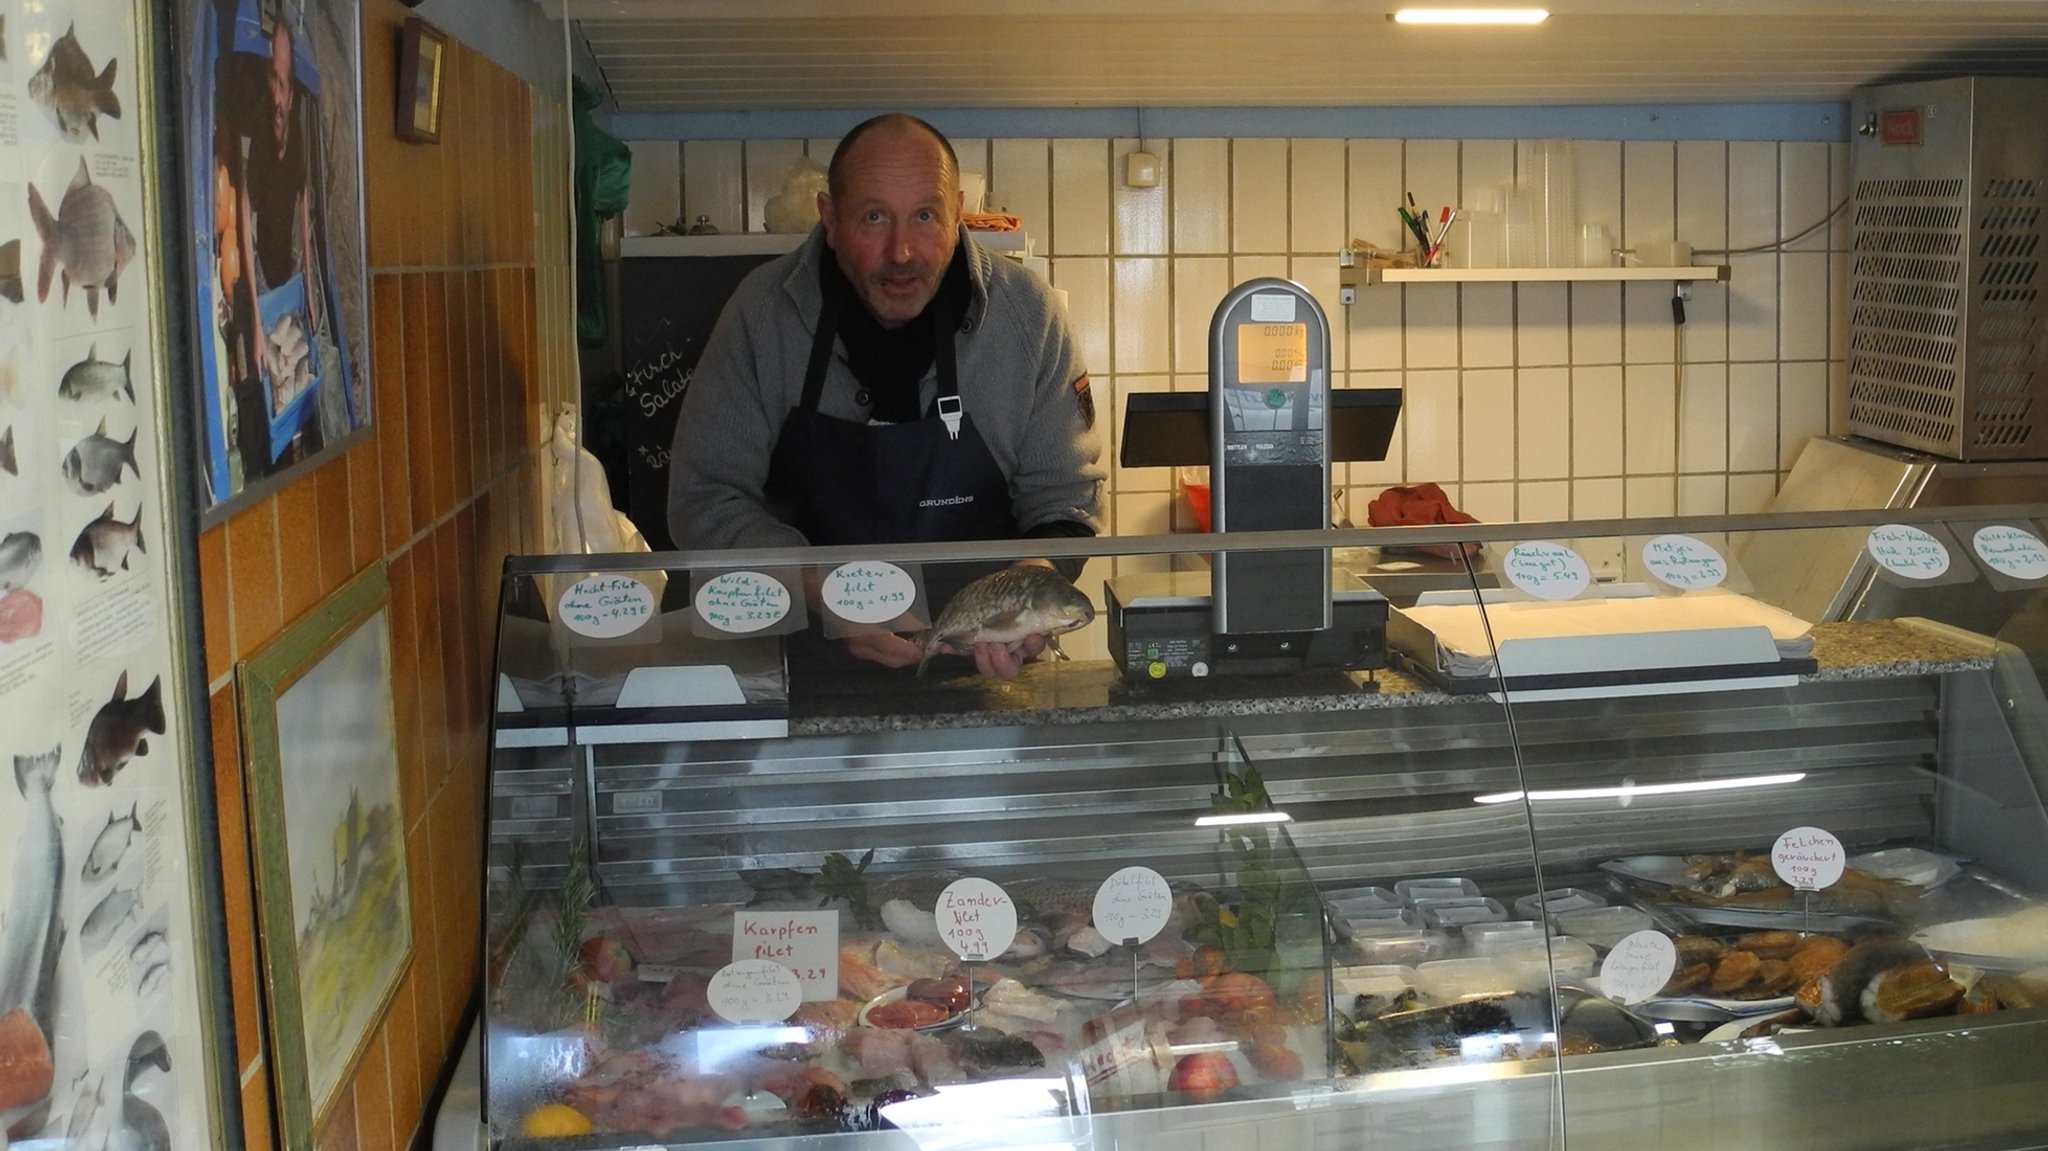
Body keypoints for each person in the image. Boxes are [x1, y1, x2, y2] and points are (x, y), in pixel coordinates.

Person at [669, 114, 1104, 677]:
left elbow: (1065, 503)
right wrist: (820, 590)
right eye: (874, 217)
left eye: (925, 216)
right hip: (790, 670)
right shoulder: (762, 313)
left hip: (986, 671)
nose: (901, 251)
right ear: (830, 218)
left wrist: (1023, 604)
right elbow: (703, 498)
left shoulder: (1028, 315)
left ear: (957, 214)